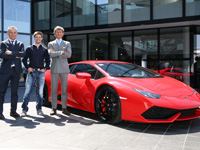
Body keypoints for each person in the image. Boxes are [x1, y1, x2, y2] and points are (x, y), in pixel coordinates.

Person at [21, 31, 50, 117]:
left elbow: (48, 61)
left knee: (40, 92)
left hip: (41, 73)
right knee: (27, 91)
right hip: (31, 72)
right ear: (34, 38)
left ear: (41, 38)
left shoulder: (44, 50)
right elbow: (24, 60)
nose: (38, 38)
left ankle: (39, 109)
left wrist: (45, 68)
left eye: (39, 37)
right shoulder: (29, 48)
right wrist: (28, 67)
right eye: (36, 37)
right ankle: (24, 109)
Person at [0, 26, 25, 120]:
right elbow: (2, 55)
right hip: (5, 71)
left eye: (15, 32)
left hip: (16, 71)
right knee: (1, 92)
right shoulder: (3, 43)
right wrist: (16, 55)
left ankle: (13, 111)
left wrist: (10, 53)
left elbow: (23, 54)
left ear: (17, 34)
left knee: (14, 92)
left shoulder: (20, 44)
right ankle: (0, 113)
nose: (13, 34)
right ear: (8, 33)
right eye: (11, 32)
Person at [48, 26, 72, 116]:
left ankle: (64, 108)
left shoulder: (67, 43)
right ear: (54, 34)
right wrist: (62, 52)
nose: (58, 33)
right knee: (53, 89)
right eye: (57, 32)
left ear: (63, 33)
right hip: (54, 68)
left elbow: (69, 55)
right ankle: (54, 108)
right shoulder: (51, 43)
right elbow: (50, 53)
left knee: (64, 89)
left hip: (64, 69)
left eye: (60, 32)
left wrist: (56, 53)